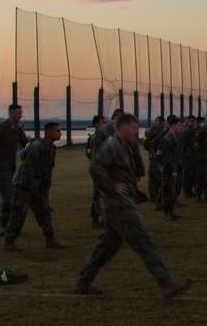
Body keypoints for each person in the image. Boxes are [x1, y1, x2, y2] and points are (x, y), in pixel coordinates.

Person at [73, 114, 191, 298]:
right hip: (117, 204)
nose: (137, 131)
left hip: (120, 202)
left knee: (107, 246)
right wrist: (111, 186)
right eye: (134, 127)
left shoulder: (125, 146)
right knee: (144, 240)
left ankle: (83, 281)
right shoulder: (113, 145)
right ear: (123, 127)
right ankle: (166, 283)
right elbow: (95, 166)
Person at [4, 122, 65, 251]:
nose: (60, 133)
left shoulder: (51, 148)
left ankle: (50, 238)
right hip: (23, 185)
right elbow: (28, 168)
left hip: (38, 187)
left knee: (44, 212)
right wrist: (26, 189)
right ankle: (9, 242)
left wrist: (45, 190)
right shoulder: (37, 147)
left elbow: (48, 171)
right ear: (48, 132)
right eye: (57, 131)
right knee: (19, 213)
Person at [0, 104, 29, 235]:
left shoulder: (17, 130)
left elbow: (25, 144)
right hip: (1, 168)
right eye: (17, 114)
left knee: (16, 197)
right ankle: (3, 226)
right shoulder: (1, 128)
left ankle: (12, 225)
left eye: (21, 113)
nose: (20, 116)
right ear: (11, 114)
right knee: (9, 196)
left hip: (12, 168)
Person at [159, 116, 184, 219]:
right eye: (178, 125)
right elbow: (167, 157)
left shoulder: (176, 137)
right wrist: (172, 170)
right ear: (172, 126)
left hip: (175, 167)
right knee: (168, 191)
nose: (181, 128)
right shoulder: (167, 139)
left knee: (174, 190)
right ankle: (167, 213)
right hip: (168, 169)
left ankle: (172, 211)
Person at [87, 115, 105, 228]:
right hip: (99, 170)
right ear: (96, 124)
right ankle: (95, 218)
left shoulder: (104, 136)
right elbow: (89, 151)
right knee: (97, 195)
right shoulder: (95, 138)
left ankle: (105, 219)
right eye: (102, 123)